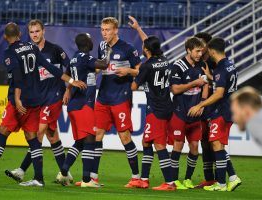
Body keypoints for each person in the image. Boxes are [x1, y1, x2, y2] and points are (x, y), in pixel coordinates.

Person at [0, 22, 86, 187]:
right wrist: (72, 81)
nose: (35, 34)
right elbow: (51, 68)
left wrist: (17, 99)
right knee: (41, 137)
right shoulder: (32, 49)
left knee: (5, 132)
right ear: (22, 34)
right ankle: (48, 176)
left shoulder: (11, 52)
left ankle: (28, 171)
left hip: (34, 99)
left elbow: (17, 76)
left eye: (37, 31)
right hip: (37, 101)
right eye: (32, 32)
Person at [92, 17, 141, 187]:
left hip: (121, 97)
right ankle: (93, 178)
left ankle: (136, 178)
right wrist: (94, 72)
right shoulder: (101, 47)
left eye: (107, 29)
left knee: (124, 136)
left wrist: (128, 71)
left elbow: (140, 71)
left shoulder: (128, 49)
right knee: (97, 134)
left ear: (116, 30)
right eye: (102, 29)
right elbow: (100, 67)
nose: (104, 33)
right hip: (103, 97)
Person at [188, 37, 241, 191]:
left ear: (211, 51)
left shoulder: (220, 69)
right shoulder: (229, 64)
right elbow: (225, 83)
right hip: (229, 108)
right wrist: (211, 78)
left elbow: (218, 94)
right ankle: (232, 177)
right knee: (217, 144)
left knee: (216, 144)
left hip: (222, 110)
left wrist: (200, 104)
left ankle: (221, 184)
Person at [59, 33, 112, 187]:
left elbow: (69, 74)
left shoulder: (75, 58)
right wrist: (107, 50)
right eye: (90, 39)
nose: (92, 41)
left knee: (80, 142)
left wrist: (68, 90)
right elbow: (104, 64)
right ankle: (87, 180)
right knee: (90, 139)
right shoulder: (86, 57)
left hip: (74, 105)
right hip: (83, 104)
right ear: (87, 43)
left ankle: (64, 171)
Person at [128, 16, 175, 191]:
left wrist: (129, 71)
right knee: (146, 142)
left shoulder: (147, 66)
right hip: (164, 105)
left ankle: (169, 183)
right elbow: (148, 44)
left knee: (159, 145)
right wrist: (138, 28)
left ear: (146, 50)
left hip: (156, 109)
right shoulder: (164, 59)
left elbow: (133, 86)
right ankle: (144, 179)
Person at [168, 37, 208, 190]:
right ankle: (174, 180)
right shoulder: (177, 66)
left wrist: (202, 103)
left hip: (195, 114)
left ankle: (188, 179)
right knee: (178, 145)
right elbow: (175, 89)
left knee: (194, 147)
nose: (200, 54)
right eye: (197, 51)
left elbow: (205, 84)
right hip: (179, 113)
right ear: (188, 50)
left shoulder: (202, 65)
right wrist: (193, 83)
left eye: (201, 51)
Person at [194, 32, 217, 188]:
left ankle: (221, 177)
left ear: (208, 46)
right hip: (200, 107)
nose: (200, 48)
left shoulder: (215, 63)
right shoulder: (197, 63)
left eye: (202, 44)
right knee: (204, 142)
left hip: (213, 107)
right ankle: (209, 178)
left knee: (214, 142)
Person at [231, 86, 262, 157]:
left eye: (235, 112)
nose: (234, 118)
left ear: (245, 110)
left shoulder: (257, 123)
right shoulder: (261, 119)